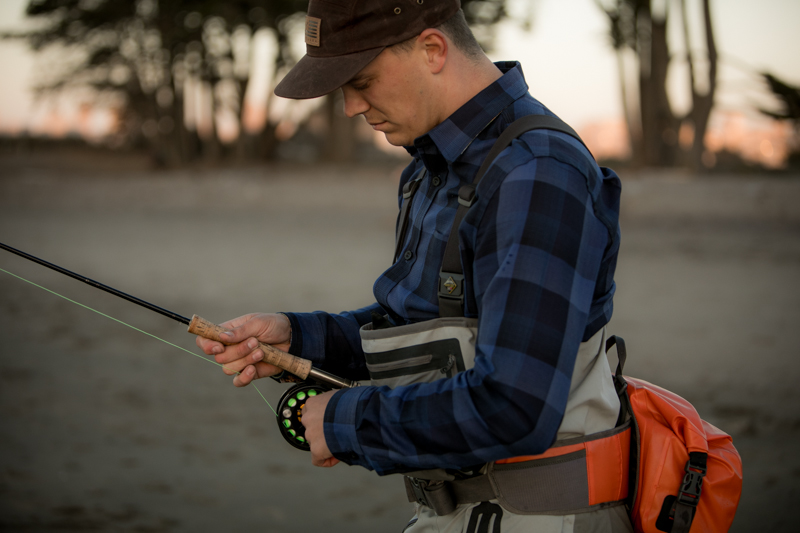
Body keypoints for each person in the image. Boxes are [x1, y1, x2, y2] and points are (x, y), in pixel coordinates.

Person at [196, 1, 630, 531]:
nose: (352, 107)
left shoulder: (536, 172)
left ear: (432, 49)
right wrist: (299, 339)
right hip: (454, 513)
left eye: (364, 80)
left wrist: (346, 421)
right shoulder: (432, 167)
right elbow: (423, 332)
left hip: (542, 516)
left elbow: (515, 406)